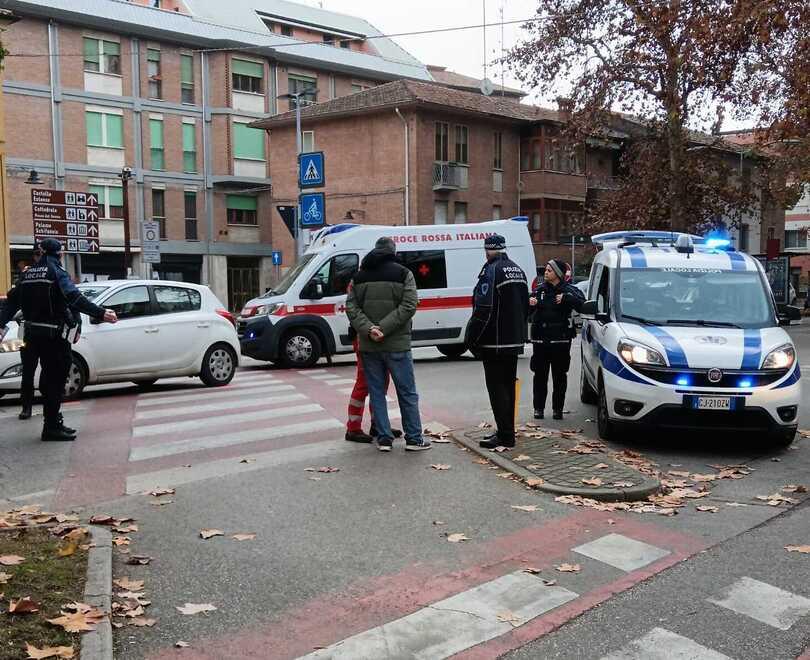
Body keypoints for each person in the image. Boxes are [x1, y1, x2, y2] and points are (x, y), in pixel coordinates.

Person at [0, 239, 118, 441]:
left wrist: (1, 324)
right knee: (54, 380)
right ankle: (52, 426)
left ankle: (52, 420)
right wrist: (100, 312)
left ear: (39, 253)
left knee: (44, 378)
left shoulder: (27, 274)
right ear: (60, 254)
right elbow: (74, 298)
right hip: (54, 336)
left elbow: (11, 301)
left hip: (30, 334)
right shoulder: (57, 272)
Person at [346, 236, 430, 452]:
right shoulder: (404, 274)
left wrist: (370, 329)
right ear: (393, 252)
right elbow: (410, 305)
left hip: (369, 345)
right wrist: (384, 327)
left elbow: (352, 309)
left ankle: (384, 438)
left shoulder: (359, 277)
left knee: (376, 391)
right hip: (397, 344)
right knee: (407, 392)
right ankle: (414, 438)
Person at [465, 234, 529, 450]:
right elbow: (525, 306)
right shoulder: (517, 269)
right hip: (513, 340)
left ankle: (504, 435)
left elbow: (484, 309)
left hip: (494, 341)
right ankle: (507, 431)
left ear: (487, 250)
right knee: (509, 386)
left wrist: (471, 338)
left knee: (497, 388)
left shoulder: (491, 271)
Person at [529, 259, 585, 420]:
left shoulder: (569, 291)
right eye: (545, 270)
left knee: (560, 376)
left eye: (549, 270)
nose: (545, 273)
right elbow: (525, 314)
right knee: (539, 376)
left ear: (558, 274)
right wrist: (530, 305)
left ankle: (557, 409)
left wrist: (568, 299)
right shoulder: (539, 290)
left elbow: (583, 305)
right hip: (540, 341)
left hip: (560, 341)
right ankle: (538, 408)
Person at [344, 333, 401, 443]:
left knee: (382, 381)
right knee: (364, 382)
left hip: (379, 336)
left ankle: (378, 424)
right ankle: (353, 428)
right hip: (365, 336)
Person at [18, 245, 44, 420]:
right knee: (27, 371)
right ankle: (26, 407)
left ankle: (50, 406)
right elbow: (14, 299)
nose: (39, 257)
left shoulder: (53, 272)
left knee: (50, 370)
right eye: (37, 254)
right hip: (28, 329)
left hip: (48, 330)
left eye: (41, 254)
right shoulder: (26, 274)